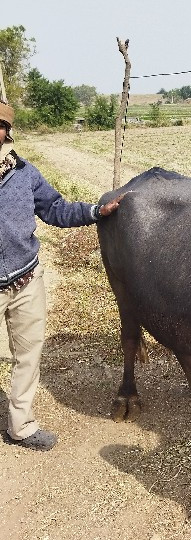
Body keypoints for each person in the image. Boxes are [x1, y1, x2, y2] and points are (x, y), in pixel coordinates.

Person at [0, 99, 123, 450]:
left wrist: (98, 211)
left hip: (25, 281)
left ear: (7, 131)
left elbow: (55, 209)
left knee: (28, 355)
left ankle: (20, 426)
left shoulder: (23, 173)